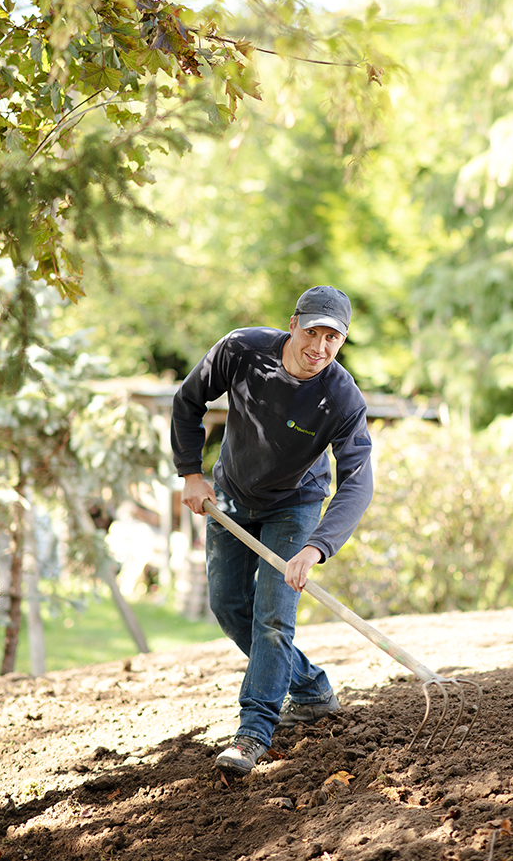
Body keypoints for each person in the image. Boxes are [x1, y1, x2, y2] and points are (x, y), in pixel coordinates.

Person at [171, 286, 373, 774]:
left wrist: (316, 547)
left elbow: (358, 483)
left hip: (294, 506)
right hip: (231, 496)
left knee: (272, 617)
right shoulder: (241, 350)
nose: (320, 347)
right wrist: (191, 472)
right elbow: (188, 399)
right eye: (312, 332)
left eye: (333, 338)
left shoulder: (342, 398)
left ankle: (254, 731)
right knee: (229, 607)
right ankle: (312, 689)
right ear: (292, 324)